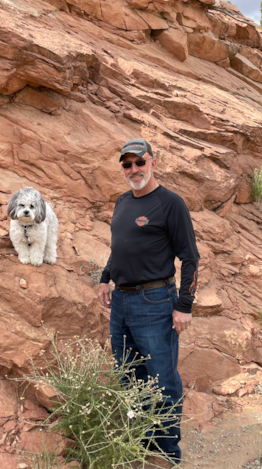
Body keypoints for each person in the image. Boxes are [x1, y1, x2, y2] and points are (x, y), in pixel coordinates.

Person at [98, 138, 200, 465]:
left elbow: (191, 258)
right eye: (127, 165)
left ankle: (166, 454)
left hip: (155, 301)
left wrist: (184, 305)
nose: (133, 170)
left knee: (162, 377)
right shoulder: (122, 202)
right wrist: (104, 277)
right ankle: (140, 442)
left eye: (139, 162)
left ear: (153, 162)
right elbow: (120, 247)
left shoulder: (171, 204)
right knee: (129, 375)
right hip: (122, 303)